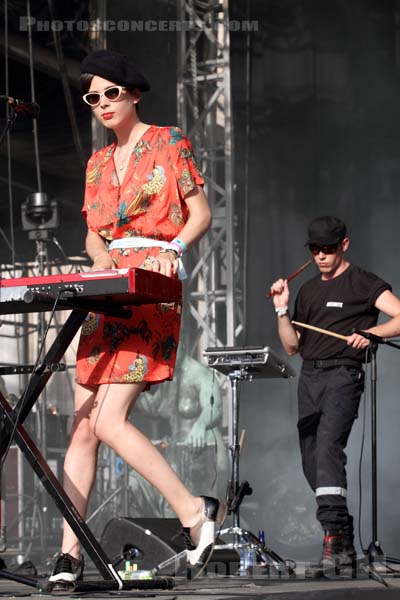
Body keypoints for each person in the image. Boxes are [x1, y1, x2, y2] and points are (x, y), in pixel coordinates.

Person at [48, 49, 225, 588]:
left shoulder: (169, 141)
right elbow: (93, 233)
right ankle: (69, 556)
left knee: (108, 419)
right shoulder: (97, 164)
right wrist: (100, 259)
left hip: (150, 286)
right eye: (92, 96)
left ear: (132, 94)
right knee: (82, 426)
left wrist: (170, 250)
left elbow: (201, 214)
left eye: (110, 93)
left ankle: (194, 512)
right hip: (107, 288)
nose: (101, 103)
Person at [269, 215, 400, 573]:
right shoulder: (309, 291)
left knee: (327, 445)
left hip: (344, 374)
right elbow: (293, 346)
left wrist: (374, 333)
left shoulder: (363, 282)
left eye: (328, 249)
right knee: (311, 456)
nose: (322, 256)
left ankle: (331, 536)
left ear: (344, 245)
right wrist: (282, 308)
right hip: (310, 377)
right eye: (315, 250)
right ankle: (341, 536)